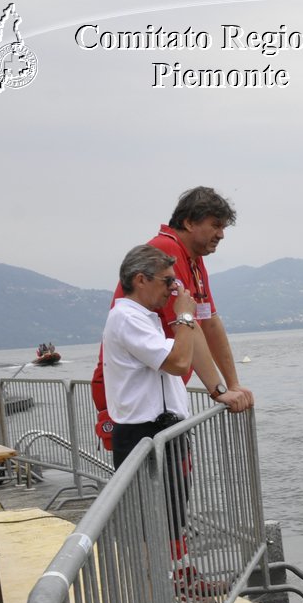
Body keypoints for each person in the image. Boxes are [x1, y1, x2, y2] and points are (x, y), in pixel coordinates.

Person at [101, 244, 246, 603]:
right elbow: (179, 363)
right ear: (140, 279)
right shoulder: (127, 318)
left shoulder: (146, 317)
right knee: (152, 525)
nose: (173, 289)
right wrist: (183, 316)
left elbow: (185, 351)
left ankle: (176, 590)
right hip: (142, 432)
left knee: (171, 517)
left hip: (162, 429)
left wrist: (219, 390)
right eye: (167, 281)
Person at [91, 186, 255, 448]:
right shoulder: (164, 253)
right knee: (154, 481)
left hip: (162, 396)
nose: (221, 234)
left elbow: (209, 321)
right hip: (138, 405)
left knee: (174, 478)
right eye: (215, 225)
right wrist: (219, 391)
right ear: (189, 222)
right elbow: (188, 324)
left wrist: (233, 384)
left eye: (223, 227)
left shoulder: (194, 259)